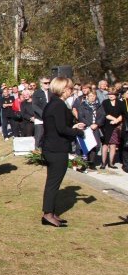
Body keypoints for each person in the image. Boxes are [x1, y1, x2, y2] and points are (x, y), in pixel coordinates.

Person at [40, 77, 85, 227]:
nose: (72, 91)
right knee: (53, 183)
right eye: (71, 89)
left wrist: (74, 125)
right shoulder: (58, 105)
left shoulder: (53, 103)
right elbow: (61, 129)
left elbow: (59, 124)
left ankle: (50, 212)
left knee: (53, 182)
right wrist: (76, 131)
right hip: (56, 148)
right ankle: (47, 214)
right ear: (64, 89)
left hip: (52, 147)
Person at [75, 90, 105, 170]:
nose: (92, 97)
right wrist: (89, 124)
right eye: (90, 96)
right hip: (86, 128)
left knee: (95, 145)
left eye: (94, 96)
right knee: (85, 145)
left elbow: (102, 116)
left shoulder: (99, 106)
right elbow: (81, 117)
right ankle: (84, 163)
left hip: (95, 127)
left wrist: (97, 124)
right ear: (87, 97)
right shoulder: (82, 106)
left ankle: (92, 162)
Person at [100, 88, 124, 169]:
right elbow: (105, 114)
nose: (110, 95)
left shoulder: (120, 103)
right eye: (109, 94)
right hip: (106, 125)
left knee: (113, 145)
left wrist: (116, 121)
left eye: (112, 94)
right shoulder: (105, 102)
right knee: (105, 144)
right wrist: (114, 119)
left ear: (116, 95)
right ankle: (103, 163)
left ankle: (111, 163)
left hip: (116, 126)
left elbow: (123, 114)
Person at [31, 76, 51, 147]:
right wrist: (43, 114)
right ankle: (37, 153)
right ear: (41, 84)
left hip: (50, 119)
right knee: (39, 137)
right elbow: (34, 106)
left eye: (49, 82)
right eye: (45, 83)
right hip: (40, 119)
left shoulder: (52, 92)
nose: (48, 84)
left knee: (49, 137)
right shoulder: (36, 93)